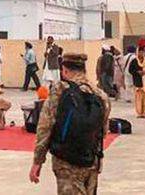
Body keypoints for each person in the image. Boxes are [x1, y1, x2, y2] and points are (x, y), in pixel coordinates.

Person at [29, 53, 111, 194]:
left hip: (66, 163)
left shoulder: (60, 90)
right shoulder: (100, 95)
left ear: (65, 70)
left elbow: (45, 127)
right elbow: (103, 131)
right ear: (84, 69)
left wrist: (38, 161)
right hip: (91, 161)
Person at [128, 46, 145, 118]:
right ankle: (139, 113)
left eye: (142, 52)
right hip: (137, 82)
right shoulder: (134, 61)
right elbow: (130, 70)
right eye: (140, 52)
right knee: (138, 98)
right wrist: (137, 72)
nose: (141, 53)